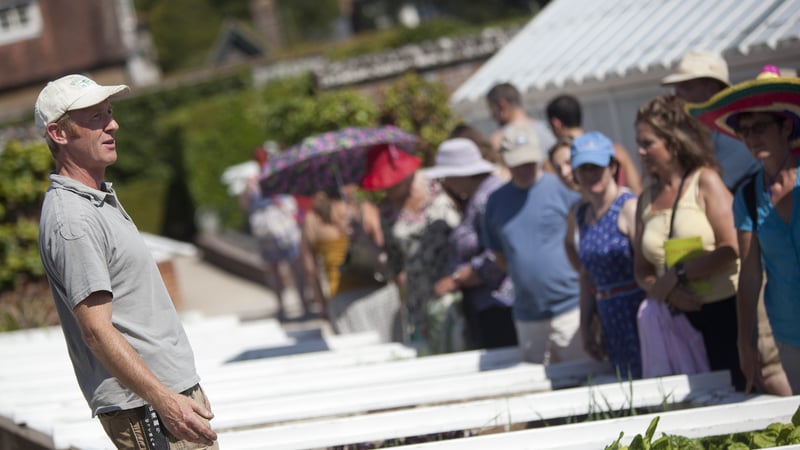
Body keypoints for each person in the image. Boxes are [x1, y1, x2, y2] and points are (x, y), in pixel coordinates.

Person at [35, 74, 218, 448]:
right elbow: (96, 332)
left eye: (109, 112)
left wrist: (184, 385)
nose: (113, 124)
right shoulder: (74, 219)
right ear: (58, 134)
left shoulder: (94, 200)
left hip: (163, 399)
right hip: (146, 408)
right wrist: (165, 400)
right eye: (95, 117)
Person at [668, 52, 790, 396]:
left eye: (685, 86)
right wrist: (745, 340)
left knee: (772, 379)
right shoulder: (744, 188)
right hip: (775, 311)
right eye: (744, 130)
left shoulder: (728, 154)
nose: (750, 137)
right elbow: (749, 271)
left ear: (711, 87)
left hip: (759, 298)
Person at [633, 95, 745, 390]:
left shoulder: (705, 181)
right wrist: (668, 292)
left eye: (647, 143)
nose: (640, 151)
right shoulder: (646, 199)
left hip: (724, 313)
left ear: (673, 142)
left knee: (735, 395)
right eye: (638, 143)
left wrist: (679, 274)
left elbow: (732, 246)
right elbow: (641, 270)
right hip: (676, 317)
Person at [483, 123, 586, 364]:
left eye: (529, 162)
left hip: (571, 308)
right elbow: (499, 254)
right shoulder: (495, 202)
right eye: (517, 163)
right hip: (527, 316)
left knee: (585, 376)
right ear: (505, 162)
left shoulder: (562, 189)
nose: (524, 169)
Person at [361, 144, 461, 349]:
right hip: (420, 295)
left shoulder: (439, 186)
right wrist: (365, 244)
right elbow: (393, 262)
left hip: (456, 283)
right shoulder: (386, 212)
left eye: (392, 183)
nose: (388, 190)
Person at [565, 132, 645, 379]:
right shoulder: (581, 213)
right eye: (584, 169)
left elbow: (649, 265)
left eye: (596, 167)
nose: (590, 175)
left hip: (638, 313)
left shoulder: (629, 206)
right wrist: (586, 325)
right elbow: (587, 275)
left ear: (612, 167)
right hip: (609, 316)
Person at [425, 138, 517, 350]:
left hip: (499, 304)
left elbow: (499, 254)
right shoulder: (476, 198)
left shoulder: (487, 198)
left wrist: (457, 279)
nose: (445, 184)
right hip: (488, 304)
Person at [300, 185, 402, 343]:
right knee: (393, 350)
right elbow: (384, 250)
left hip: (342, 300)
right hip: (379, 291)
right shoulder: (365, 210)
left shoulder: (312, 219)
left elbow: (310, 270)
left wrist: (322, 305)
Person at [661, 50, 760, 193]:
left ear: (712, 89)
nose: (676, 95)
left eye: (686, 86)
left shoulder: (735, 133)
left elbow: (701, 191)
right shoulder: (697, 134)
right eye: (676, 88)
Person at [241, 146, 312, 320]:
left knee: (275, 269)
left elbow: (246, 206)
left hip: (265, 228)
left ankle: (283, 307)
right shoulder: (277, 175)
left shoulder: (254, 181)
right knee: (294, 266)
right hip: (281, 225)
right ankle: (303, 305)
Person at [545, 94, 643, 194]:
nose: (564, 172)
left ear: (556, 124)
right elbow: (637, 190)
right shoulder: (616, 150)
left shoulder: (553, 164)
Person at [485, 82, 557, 168]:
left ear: (502, 105)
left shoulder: (499, 139)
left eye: (492, 108)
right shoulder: (549, 130)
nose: (492, 115)